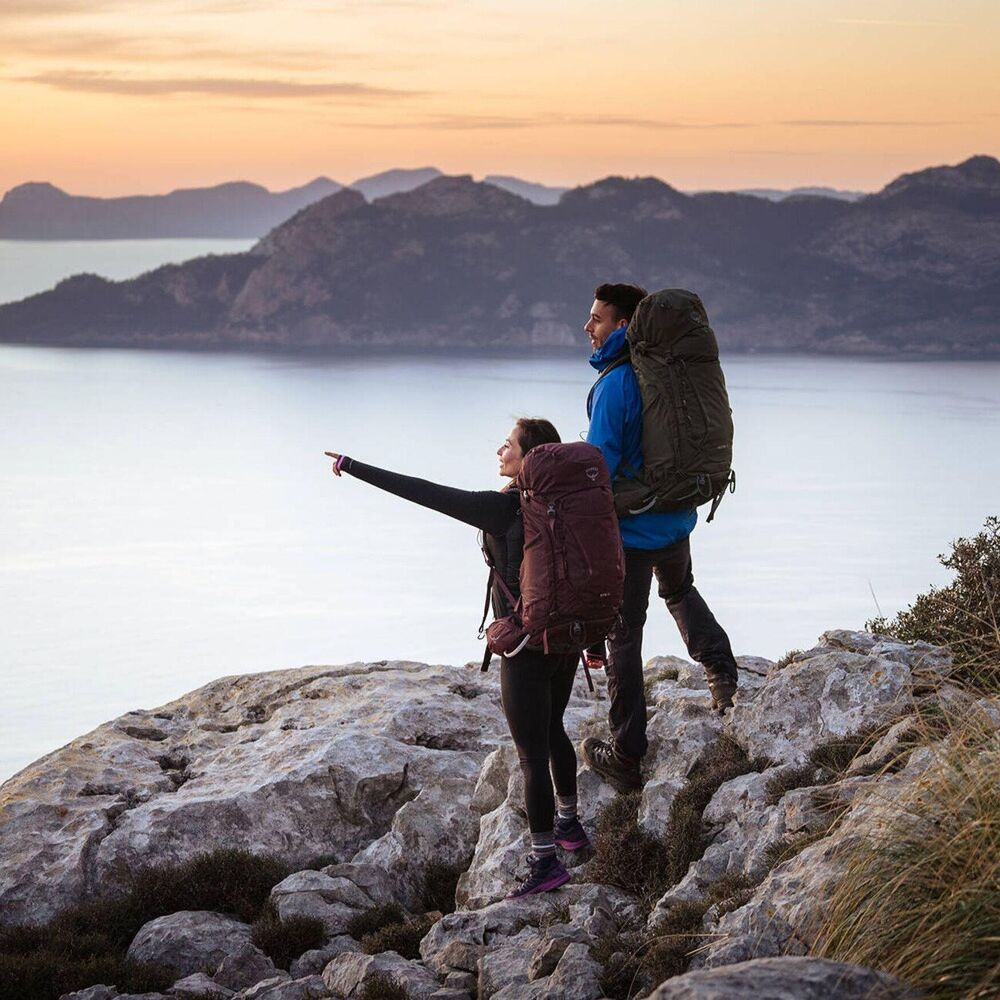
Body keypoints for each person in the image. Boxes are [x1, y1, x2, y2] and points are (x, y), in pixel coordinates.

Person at [325, 418, 590, 899]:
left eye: (507, 445)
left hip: (525, 645)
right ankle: (570, 826)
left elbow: (425, 492)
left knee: (531, 755)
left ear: (528, 458)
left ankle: (545, 861)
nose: (499, 452)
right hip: (566, 636)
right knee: (554, 729)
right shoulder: (568, 505)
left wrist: (353, 465)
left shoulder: (504, 508)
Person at [581, 282, 740, 793]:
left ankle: (626, 753)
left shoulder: (617, 383)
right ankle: (722, 673)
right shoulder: (668, 375)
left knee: (624, 633)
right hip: (674, 516)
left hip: (631, 530)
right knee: (679, 590)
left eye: (598, 319)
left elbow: (598, 467)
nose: (588, 327)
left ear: (624, 325)